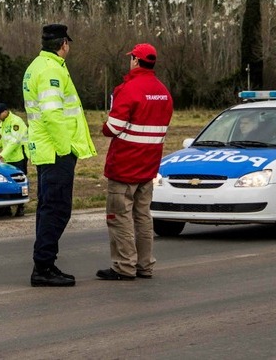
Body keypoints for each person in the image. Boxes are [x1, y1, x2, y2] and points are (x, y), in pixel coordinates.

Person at [23, 23, 97, 287]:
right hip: (56, 151)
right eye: (68, 43)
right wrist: (66, 149)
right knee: (56, 210)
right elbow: (52, 113)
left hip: (46, 150)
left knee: (48, 209)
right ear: (63, 44)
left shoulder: (38, 66)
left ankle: (44, 263)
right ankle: (43, 267)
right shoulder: (51, 70)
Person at [97, 43, 173, 281]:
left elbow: (112, 128)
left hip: (125, 166)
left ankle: (124, 265)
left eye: (132, 58)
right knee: (143, 216)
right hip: (148, 165)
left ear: (136, 61)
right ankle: (144, 265)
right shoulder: (163, 92)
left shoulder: (128, 89)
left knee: (119, 216)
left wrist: (104, 126)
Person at [0, 103, 28, 217]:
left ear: (5, 111)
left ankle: (21, 207)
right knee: (7, 182)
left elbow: (14, 141)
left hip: (19, 156)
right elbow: (5, 139)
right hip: (9, 158)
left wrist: (1, 154)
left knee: (20, 182)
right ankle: (7, 207)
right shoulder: (3, 124)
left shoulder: (16, 121)